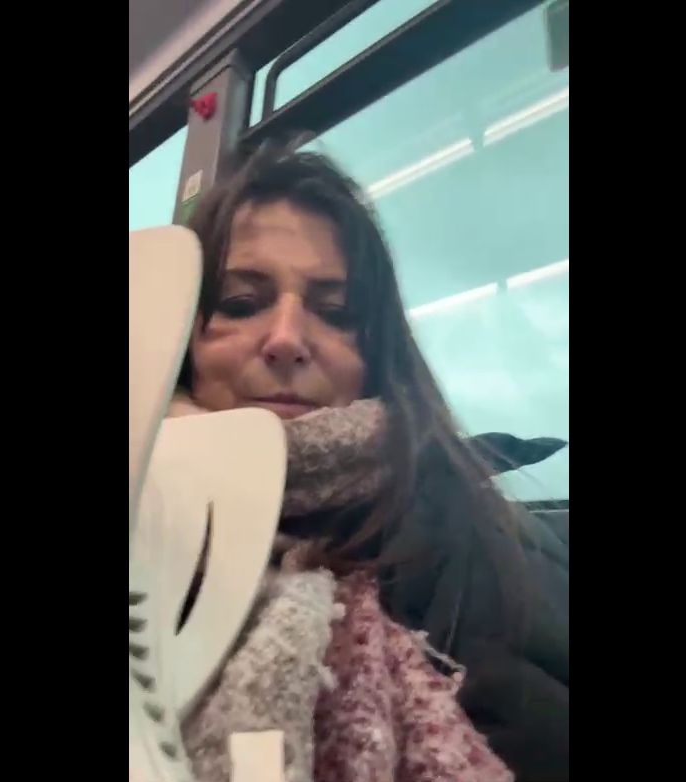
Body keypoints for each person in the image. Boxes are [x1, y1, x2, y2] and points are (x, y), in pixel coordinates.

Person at [168, 143, 568, 782]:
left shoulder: (480, 553)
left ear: (376, 356)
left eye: (336, 313)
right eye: (242, 303)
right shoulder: (146, 521)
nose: (286, 339)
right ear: (180, 341)